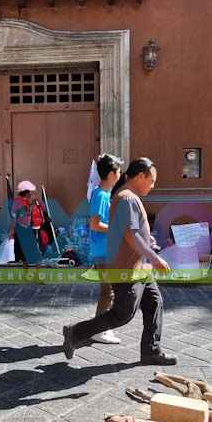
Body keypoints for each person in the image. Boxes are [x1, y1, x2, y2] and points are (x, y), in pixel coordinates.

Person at [62, 157, 177, 366]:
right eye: (151, 180)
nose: (153, 185)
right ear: (140, 176)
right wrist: (154, 256)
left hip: (140, 267)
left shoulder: (128, 196)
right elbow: (131, 235)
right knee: (122, 314)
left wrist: (147, 239)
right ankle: (74, 332)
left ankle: (151, 351)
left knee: (154, 302)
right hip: (126, 268)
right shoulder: (125, 198)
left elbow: (133, 231)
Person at [88, 154, 123, 345]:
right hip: (103, 251)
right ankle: (99, 329)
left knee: (108, 290)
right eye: (118, 171)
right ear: (110, 174)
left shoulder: (101, 193)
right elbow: (94, 224)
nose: (120, 174)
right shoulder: (101, 195)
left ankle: (101, 327)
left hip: (104, 250)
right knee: (107, 291)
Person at [11, 181, 45, 264]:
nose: (33, 194)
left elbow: (42, 210)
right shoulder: (21, 203)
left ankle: (21, 261)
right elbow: (23, 216)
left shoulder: (22, 202)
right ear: (26, 193)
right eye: (31, 192)